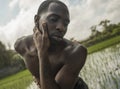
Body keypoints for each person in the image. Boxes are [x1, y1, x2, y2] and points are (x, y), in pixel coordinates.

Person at [14, 0, 88, 89]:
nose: (61, 27)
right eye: (53, 19)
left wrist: (42, 52)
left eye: (66, 23)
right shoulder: (21, 46)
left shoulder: (75, 52)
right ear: (37, 20)